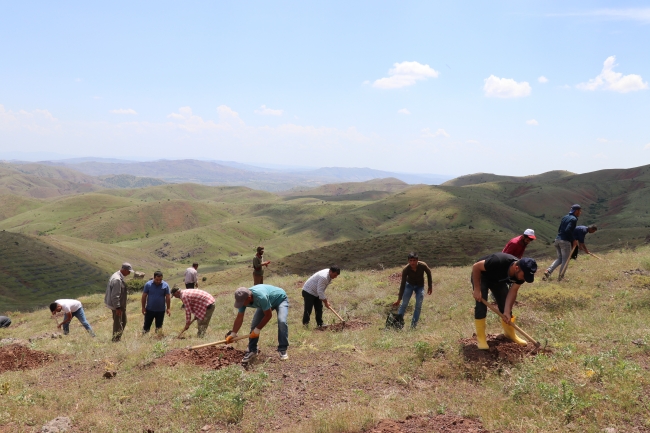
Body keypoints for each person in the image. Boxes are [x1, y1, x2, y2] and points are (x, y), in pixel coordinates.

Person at [471, 253, 537, 349]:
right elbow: (476, 267)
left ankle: (509, 334)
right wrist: (477, 289)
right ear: (516, 268)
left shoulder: (521, 275)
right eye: (524, 275)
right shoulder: (498, 261)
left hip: (498, 281)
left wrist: (506, 311)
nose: (524, 279)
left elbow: (513, 292)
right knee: (481, 305)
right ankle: (481, 338)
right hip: (482, 276)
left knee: (505, 305)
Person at [226, 284, 289, 363]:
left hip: (280, 299)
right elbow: (239, 318)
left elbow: (268, 315)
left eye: (242, 302)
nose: (241, 304)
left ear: (249, 298)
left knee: (282, 321)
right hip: (266, 303)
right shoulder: (243, 299)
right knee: (254, 325)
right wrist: (233, 333)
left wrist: (257, 329)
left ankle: (282, 349)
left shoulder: (260, 297)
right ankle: (252, 350)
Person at [392, 252, 433, 329]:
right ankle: (397, 325)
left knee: (418, 306)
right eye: (410, 260)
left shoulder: (422, 265)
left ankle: (413, 326)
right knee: (404, 304)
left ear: (417, 260)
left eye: (414, 260)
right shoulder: (406, 269)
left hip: (420, 286)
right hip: (409, 285)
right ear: (408, 261)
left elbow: (429, 273)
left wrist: (430, 286)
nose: (412, 262)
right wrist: (399, 299)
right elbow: (402, 284)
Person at [544, 204, 582, 282]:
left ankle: (548, 271)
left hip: (557, 240)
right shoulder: (574, 219)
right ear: (576, 211)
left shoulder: (565, 217)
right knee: (565, 260)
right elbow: (568, 230)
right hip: (565, 242)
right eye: (580, 211)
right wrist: (573, 240)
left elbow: (560, 229)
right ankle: (561, 277)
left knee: (560, 258)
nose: (580, 213)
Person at [105, 262, 134, 342]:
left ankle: (117, 338)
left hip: (119, 305)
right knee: (118, 323)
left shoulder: (117, 276)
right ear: (124, 270)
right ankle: (116, 340)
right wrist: (117, 307)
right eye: (128, 271)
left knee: (123, 321)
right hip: (117, 306)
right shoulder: (117, 279)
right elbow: (115, 296)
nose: (129, 273)